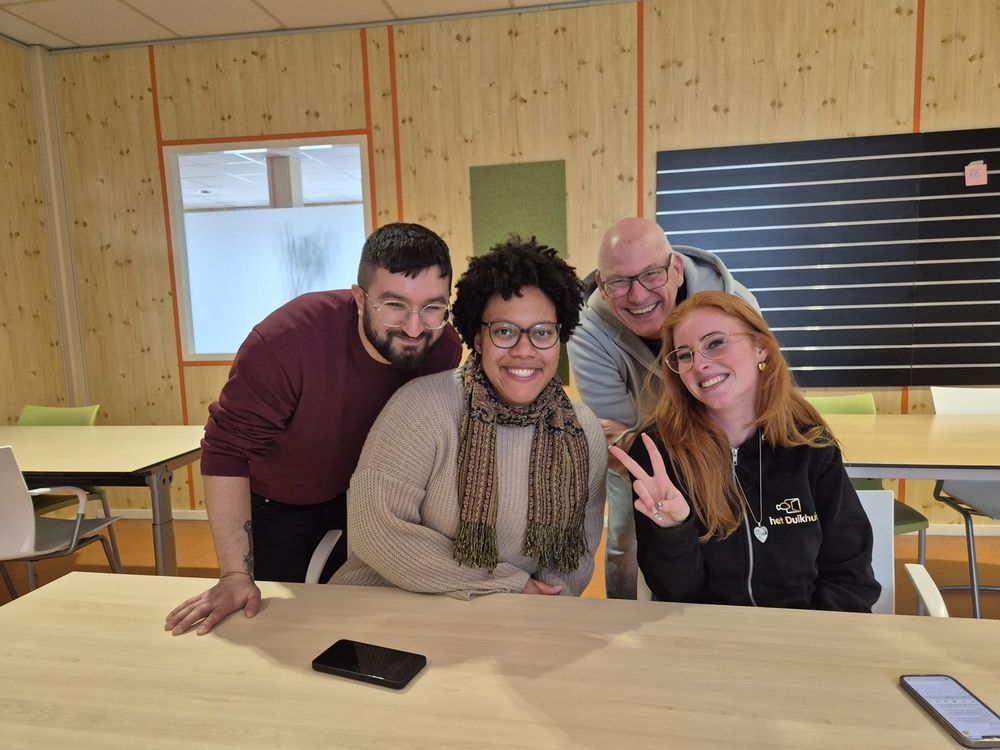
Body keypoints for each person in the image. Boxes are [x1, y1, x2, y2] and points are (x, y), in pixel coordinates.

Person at [165, 223, 462, 634]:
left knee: (376, 615)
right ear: (359, 299)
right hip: (279, 499)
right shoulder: (285, 344)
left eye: (432, 307)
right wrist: (234, 574)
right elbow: (226, 452)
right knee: (278, 622)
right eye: (394, 305)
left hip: (367, 497)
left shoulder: (441, 347)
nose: (414, 328)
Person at [330, 238, 607, 598]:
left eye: (542, 332)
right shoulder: (421, 407)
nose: (524, 350)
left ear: (559, 337)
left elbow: (574, 555)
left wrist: (544, 604)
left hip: (508, 616)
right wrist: (509, 585)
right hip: (383, 604)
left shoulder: (581, 430)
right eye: (504, 331)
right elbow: (376, 531)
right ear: (478, 338)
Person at [611, 291, 880, 611]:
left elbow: (850, 575)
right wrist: (673, 530)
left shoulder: (809, 444)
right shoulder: (659, 453)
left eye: (715, 343)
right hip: (708, 632)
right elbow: (677, 595)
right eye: (684, 355)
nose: (700, 364)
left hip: (805, 630)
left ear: (760, 347)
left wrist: (812, 635)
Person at [567, 217, 757, 599]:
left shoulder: (734, 306)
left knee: (737, 543)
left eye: (652, 275)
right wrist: (636, 444)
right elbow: (622, 442)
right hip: (642, 463)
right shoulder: (588, 332)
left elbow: (744, 410)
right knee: (627, 546)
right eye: (619, 282)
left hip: (727, 449)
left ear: (675, 269)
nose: (638, 296)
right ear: (602, 285)